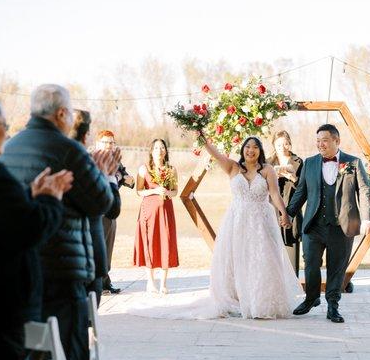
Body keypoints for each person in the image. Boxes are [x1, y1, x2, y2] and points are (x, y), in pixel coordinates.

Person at [0, 84, 116, 360]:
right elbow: (102, 204)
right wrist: (103, 176)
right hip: (63, 272)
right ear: (61, 113)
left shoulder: (10, 148)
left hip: (22, 271)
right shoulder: (68, 150)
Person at [126, 135, 302, 320]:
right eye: (247, 147)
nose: (251, 150)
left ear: (260, 150)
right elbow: (216, 154)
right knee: (237, 259)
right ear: (243, 149)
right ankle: (239, 298)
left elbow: (274, 194)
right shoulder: (233, 167)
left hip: (261, 222)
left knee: (262, 259)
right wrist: (202, 138)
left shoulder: (267, 170)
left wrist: (284, 213)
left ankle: (261, 301)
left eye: (255, 147)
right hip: (237, 221)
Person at [0, 90, 72, 360]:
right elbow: (28, 229)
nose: (7, 131)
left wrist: (28, 196)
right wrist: (51, 200)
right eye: (2, 123)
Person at [287, 124, 370, 323]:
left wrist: (366, 219)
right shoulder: (309, 163)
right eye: (318, 141)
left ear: (337, 141)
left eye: (324, 140)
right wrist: (288, 214)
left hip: (341, 227)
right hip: (313, 225)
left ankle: (333, 305)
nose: (320, 144)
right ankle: (311, 298)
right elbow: (301, 192)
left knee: (336, 268)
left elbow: (365, 191)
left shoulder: (353, 163)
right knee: (311, 263)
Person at [70, 111, 122, 306]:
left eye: (111, 142)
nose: (109, 146)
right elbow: (111, 207)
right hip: (88, 237)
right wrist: (108, 177)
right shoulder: (87, 162)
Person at [134, 138, 179, 294]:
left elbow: (175, 191)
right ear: (151, 151)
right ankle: (150, 282)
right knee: (150, 243)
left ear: (165, 151)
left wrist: (167, 192)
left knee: (166, 242)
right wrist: (154, 191)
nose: (159, 150)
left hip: (166, 211)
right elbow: (139, 191)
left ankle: (163, 283)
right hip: (149, 212)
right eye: (156, 148)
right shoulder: (143, 169)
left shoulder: (171, 169)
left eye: (162, 147)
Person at [96, 129, 134, 295]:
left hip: (113, 209)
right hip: (98, 210)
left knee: (109, 247)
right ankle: (99, 283)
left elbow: (130, 181)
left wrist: (122, 177)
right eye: (106, 142)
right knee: (99, 247)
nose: (110, 145)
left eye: (112, 142)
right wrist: (118, 178)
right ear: (98, 144)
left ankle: (105, 281)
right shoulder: (94, 161)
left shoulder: (116, 163)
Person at [266, 130, 303, 276]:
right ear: (274, 145)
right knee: (271, 251)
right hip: (271, 210)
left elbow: (305, 188)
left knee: (291, 249)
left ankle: (293, 282)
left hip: (292, 209)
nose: (282, 147)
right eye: (279, 144)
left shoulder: (298, 161)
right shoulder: (267, 163)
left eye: (285, 143)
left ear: (289, 144)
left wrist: (292, 178)